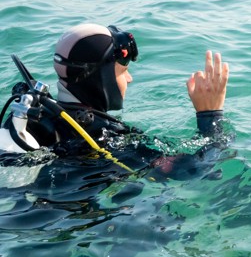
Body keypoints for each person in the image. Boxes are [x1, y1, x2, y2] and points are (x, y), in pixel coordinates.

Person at [1, 22, 229, 169]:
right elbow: (194, 170)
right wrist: (210, 115)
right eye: (123, 71)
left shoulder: (39, 116)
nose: (129, 79)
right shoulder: (103, 137)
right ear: (103, 77)